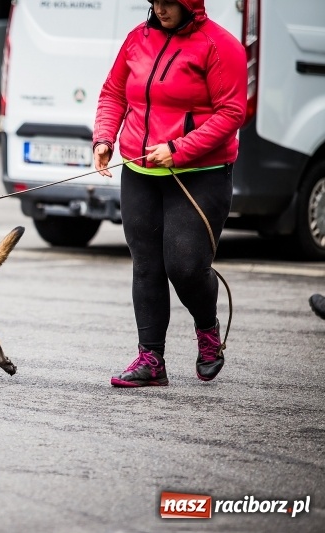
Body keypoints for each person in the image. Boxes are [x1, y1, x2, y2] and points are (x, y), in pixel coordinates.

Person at [92, 0, 247, 387]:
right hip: (140, 169)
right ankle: (151, 360)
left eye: (169, 1)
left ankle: (208, 332)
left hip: (199, 172)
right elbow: (113, 92)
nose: (160, 8)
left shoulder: (219, 45)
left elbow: (231, 112)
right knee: (146, 264)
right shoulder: (137, 39)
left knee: (184, 265)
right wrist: (104, 138)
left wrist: (179, 148)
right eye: (154, 1)